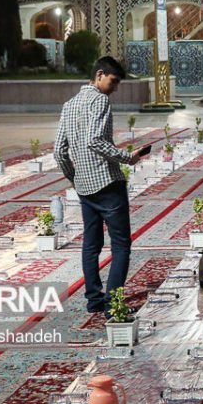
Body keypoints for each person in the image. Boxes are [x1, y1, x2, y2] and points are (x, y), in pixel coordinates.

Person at [54, 56, 150, 315]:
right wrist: (128, 158)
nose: (115, 88)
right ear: (99, 75)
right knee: (120, 244)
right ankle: (113, 304)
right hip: (107, 184)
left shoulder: (70, 104)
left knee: (91, 244)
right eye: (113, 81)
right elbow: (95, 140)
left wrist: (74, 178)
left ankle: (94, 299)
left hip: (85, 187)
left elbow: (58, 151)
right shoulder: (100, 100)